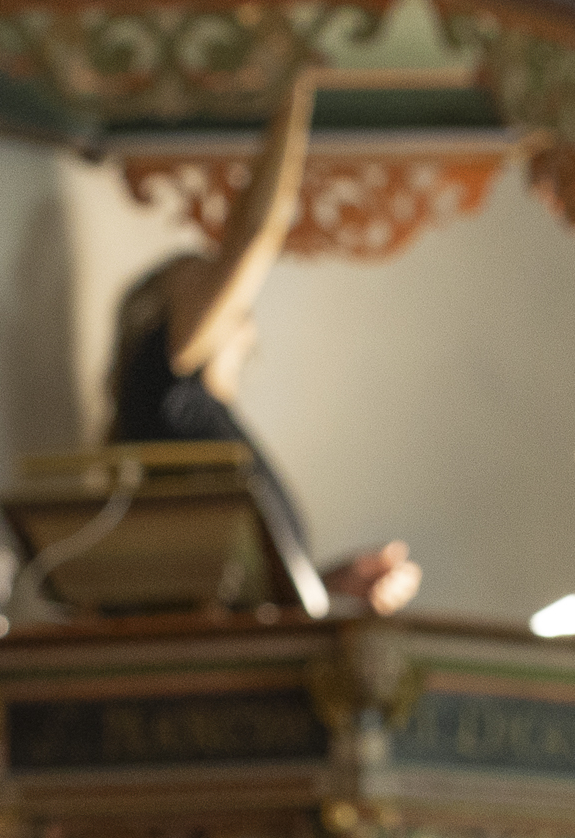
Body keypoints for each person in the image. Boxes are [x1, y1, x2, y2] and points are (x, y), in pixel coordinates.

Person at [105, 68, 419, 616]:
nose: (219, 283)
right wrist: (295, 91)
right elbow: (255, 235)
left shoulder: (200, 418)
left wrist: (328, 585)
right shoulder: (165, 389)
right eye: (199, 276)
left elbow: (243, 596)